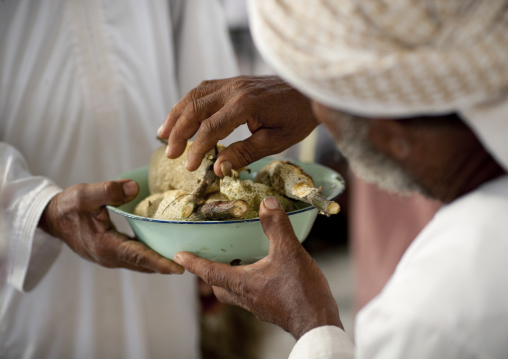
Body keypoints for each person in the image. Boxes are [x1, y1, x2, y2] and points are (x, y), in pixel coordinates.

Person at [157, 0, 508, 357]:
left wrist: (311, 322)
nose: (317, 111)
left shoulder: (430, 319)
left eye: (322, 98)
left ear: (390, 135)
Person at [0, 0, 249, 357]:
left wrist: (224, 239)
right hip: (31, 263)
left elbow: (203, 66)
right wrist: (35, 208)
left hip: (173, 231)